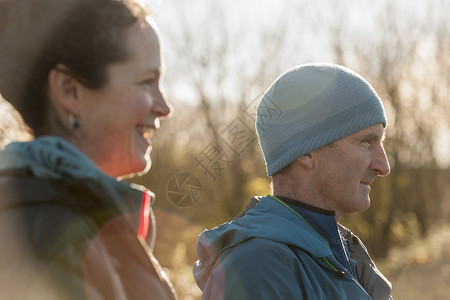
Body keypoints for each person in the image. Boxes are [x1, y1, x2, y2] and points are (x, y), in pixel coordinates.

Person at [0, 0, 177, 299]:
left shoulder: (68, 219)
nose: (164, 108)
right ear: (70, 90)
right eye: (147, 82)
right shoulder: (47, 235)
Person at [193, 63, 393, 299]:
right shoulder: (258, 266)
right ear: (305, 152)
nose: (383, 166)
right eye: (366, 142)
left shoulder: (345, 255)